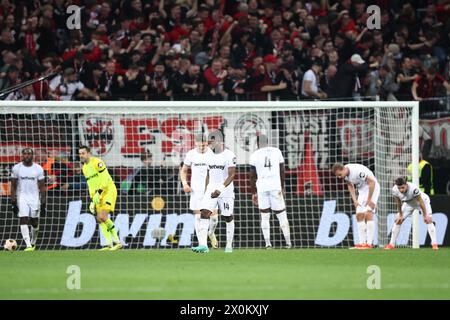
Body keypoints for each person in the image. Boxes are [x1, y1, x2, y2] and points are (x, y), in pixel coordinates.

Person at [192, 130, 236, 254]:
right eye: (209, 140)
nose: (210, 142)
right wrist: (207, 190)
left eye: (212, 140)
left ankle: (228, 245)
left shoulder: (229, 155)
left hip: (225, 190)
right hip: (211, 188)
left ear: (219, 140)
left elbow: (232, 175)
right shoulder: (208, 155)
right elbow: (208, 174)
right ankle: (203, 245)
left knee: (227, 216)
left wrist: (220, 189)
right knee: (204, 213)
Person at [249, 134, 292, 249]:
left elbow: (252, 176)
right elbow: (282, 170)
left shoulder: (254, 155)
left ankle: (268, 244)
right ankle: (288, 243)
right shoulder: (276, 151)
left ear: (257, 144)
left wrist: (254, 193)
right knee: (282, 215)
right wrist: (282, 187)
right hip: (275, 187)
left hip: (262, 188)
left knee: (265, 216)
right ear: (267, 142)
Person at [79, 145, 122, 251]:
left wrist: (99, 192)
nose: (81, 155)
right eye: (79, 153)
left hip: (108, 191)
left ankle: (118, 242)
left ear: (89, 153)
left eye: (83, 153)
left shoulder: (97, 163)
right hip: (97, 195)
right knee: (99, 219)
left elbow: (105, 179)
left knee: (103, 216)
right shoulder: (84, 168)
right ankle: (109, 244)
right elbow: (90, 184)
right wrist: (92, 199)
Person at [180, 134, 219, 249]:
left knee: (214, 219)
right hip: (196, 190)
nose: (202, 146)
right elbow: (184, 171)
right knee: (198, 217)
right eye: (199, 144)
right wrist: (185, 183)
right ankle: (202, 244)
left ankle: (211, 233)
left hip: (210, 190)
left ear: (206, 143)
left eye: (204, 144)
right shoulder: (191, 154)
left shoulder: (212, 155)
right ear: (195, 143)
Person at [332, 162, 380, 249]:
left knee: (368, 213)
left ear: (343, 169)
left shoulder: (358, 172)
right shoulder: (345, 174)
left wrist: (369, 199)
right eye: (338, 176)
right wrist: (355, 200)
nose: (339, 177)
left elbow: (372, 182)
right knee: (359, 215)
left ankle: (369, 244)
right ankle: (362, 243)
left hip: (372, 188)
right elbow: (350, 185)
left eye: (340, 174)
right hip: (362, 190)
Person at [385, 177, 438, 250]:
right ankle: (391, 244)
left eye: (403, 187)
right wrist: (400, 215)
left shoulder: (413, 188)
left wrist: (425, 215)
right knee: (398, 220)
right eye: (399, 188)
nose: (401, 190)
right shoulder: (395, 189)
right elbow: (398, 202)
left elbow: (420, 201)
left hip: (422, 202)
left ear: (406, 184)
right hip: (408, 204)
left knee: (428, 220)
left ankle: (434, 244)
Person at [10, 148, 46, 251]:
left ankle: (33, 242)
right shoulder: (17, 168)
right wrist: (13, 202)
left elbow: (42, 187)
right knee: (23, 219)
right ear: (22, 155)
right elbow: (13, 186)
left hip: (34, 198)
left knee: (34, 222)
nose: (27, 156)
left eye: (29, 154)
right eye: (25, 154)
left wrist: (43, 203)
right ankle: (28, 245)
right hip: (22, 197)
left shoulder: (38, 168)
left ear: (32, 155)